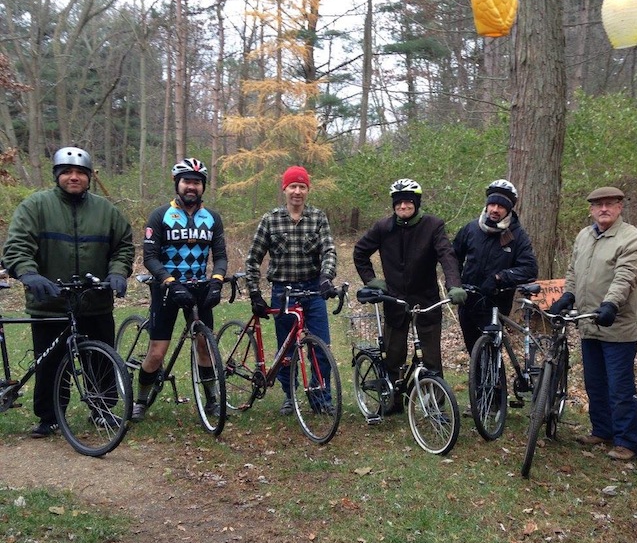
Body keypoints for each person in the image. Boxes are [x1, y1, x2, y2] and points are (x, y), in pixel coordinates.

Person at [1, 146, 134, 437]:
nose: (74, 178)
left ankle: (102, 408)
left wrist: (117, 272)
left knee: (100, 359)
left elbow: (123, 246)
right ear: (57, 176)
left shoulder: (107, 211)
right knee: (49, 361)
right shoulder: (35, 206)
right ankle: (49, 416)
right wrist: (29, 273)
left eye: (80, 173)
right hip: (50, 301)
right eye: (67, 172)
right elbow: (17, 246)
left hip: (94, 299)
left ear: (88, 177)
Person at [548, 186, 637, 461]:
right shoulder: (584, 236)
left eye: (609, 204)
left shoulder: (631, 237)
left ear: (620, 207)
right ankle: (602, 430)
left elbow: (626, 275)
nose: (603, 209)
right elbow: (572, 270)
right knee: (594, 382)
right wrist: (568, 294)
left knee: (619, 386)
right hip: (588, 322)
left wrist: (611, 303)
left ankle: (627, 440)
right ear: (591, 209)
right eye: (598, 205)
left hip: (616, 324)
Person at [353, 178, 467, 413]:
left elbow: (447, 255)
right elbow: (360, 252)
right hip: (394, 300)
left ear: (416, 203)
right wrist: (373, 281)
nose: (403, 208)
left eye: (408, 203)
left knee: (431, 358)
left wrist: (454, 284)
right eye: (399, 204)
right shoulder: (383, 227)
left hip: (426, 300)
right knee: (393, 354)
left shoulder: (433, 226)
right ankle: (393, 401)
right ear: (394, 206)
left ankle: (436, 406)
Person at [132, 157, 228, 421]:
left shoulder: (212, 218)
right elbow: (150, 257)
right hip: (166, 289)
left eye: (197, 182)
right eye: (187, 181)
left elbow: (220, 255)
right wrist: (170, 282)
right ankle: (140, 400)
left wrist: (217, 280)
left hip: (199, 288)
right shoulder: (161, 215)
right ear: (177, 183)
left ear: (203, 187)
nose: (191, 187)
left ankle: (211, 401)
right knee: (157, 352)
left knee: (204, 346)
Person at [245, 165, 338, 415]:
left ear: (308, 190)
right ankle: (289, 396)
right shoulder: (270, 219)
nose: (297, 191)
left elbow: (329, 250)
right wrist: (255, 292)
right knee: (286, 350)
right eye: (292, 186)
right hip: (283, 291)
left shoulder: (318, 218)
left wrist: (326, 277)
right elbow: (254, 258)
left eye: (302, 187)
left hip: (313, 290)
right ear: (284, 189)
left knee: (320, 347)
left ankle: (321, 399)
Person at [453, 179, 538, 355]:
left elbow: (529, 269)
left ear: (508, 210)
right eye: (492, 204)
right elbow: (453, 256)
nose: (495, 210)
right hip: (468, 300)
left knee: (492, 353)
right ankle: (476, 382)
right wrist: (456, 282)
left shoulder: (517, 236)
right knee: (474, 352)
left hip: (496, 303)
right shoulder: (471, 229)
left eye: (500, 206)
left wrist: (499, 278)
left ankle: (497, 382)